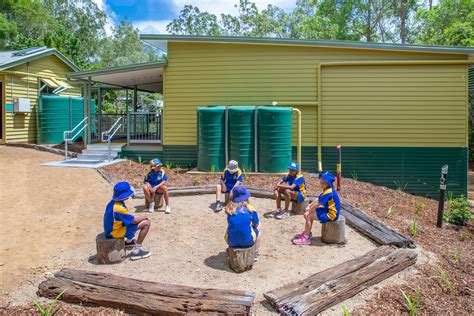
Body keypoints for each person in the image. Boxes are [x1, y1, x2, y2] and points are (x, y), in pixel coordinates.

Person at [103, 181, 152, 260]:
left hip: (112, 228)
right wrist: (144, 217)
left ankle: (129, 242)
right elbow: (134, 221)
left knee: (134, 220)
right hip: (113, 232)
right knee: (146, 223)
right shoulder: (119, 208)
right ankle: (137, 251)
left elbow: (128, 218)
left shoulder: (113, 203)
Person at [292, 171, 341, 245]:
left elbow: (318, 203)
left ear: (328, 182)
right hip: (327, 210)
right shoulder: (327, 189)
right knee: (309, 214)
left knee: (309, 216)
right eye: (321, 181)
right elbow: (318, 199)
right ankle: (307, 232)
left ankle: (306, 238)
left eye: (323, 182)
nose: (321, 183)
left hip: (331, 214)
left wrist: (309, 211)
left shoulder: (329, 192)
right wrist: (309, 206)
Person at [224, 185, 262, 261]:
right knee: (260, 226)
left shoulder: (229, 209)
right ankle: (255, 252)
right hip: (248, 241)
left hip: (231, 241)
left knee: (232, 227)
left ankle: (232, 246)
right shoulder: (250, 209)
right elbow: (256, 224)